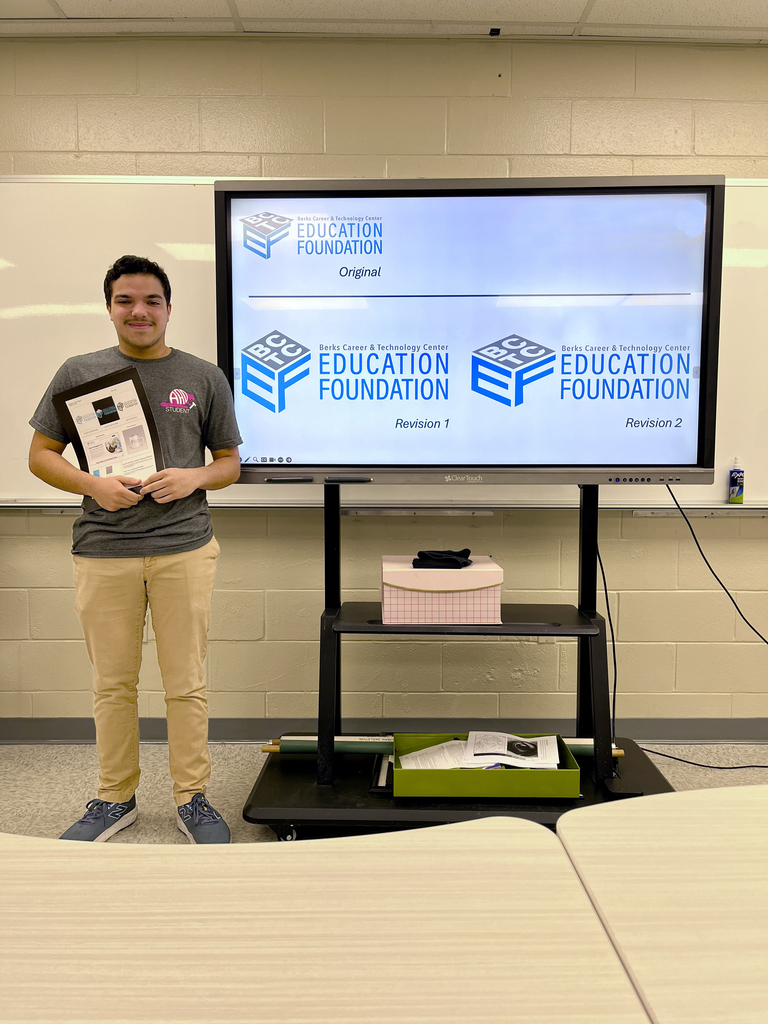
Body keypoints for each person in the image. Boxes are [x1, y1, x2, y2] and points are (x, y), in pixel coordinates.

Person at [28, 255, 242, 844]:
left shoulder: (203, 377)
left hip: (184, 548)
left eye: (151, 301)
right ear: (110, 308)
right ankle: (113, 798)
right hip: (103, 550)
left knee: (186, 681)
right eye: (126, 301)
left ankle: (192, 799)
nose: (139, 311)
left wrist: (193, 477)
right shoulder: (80, 372)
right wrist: (91, 484)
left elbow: (229, 463)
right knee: (113, 684)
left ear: (169, 308)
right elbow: (40, 455)